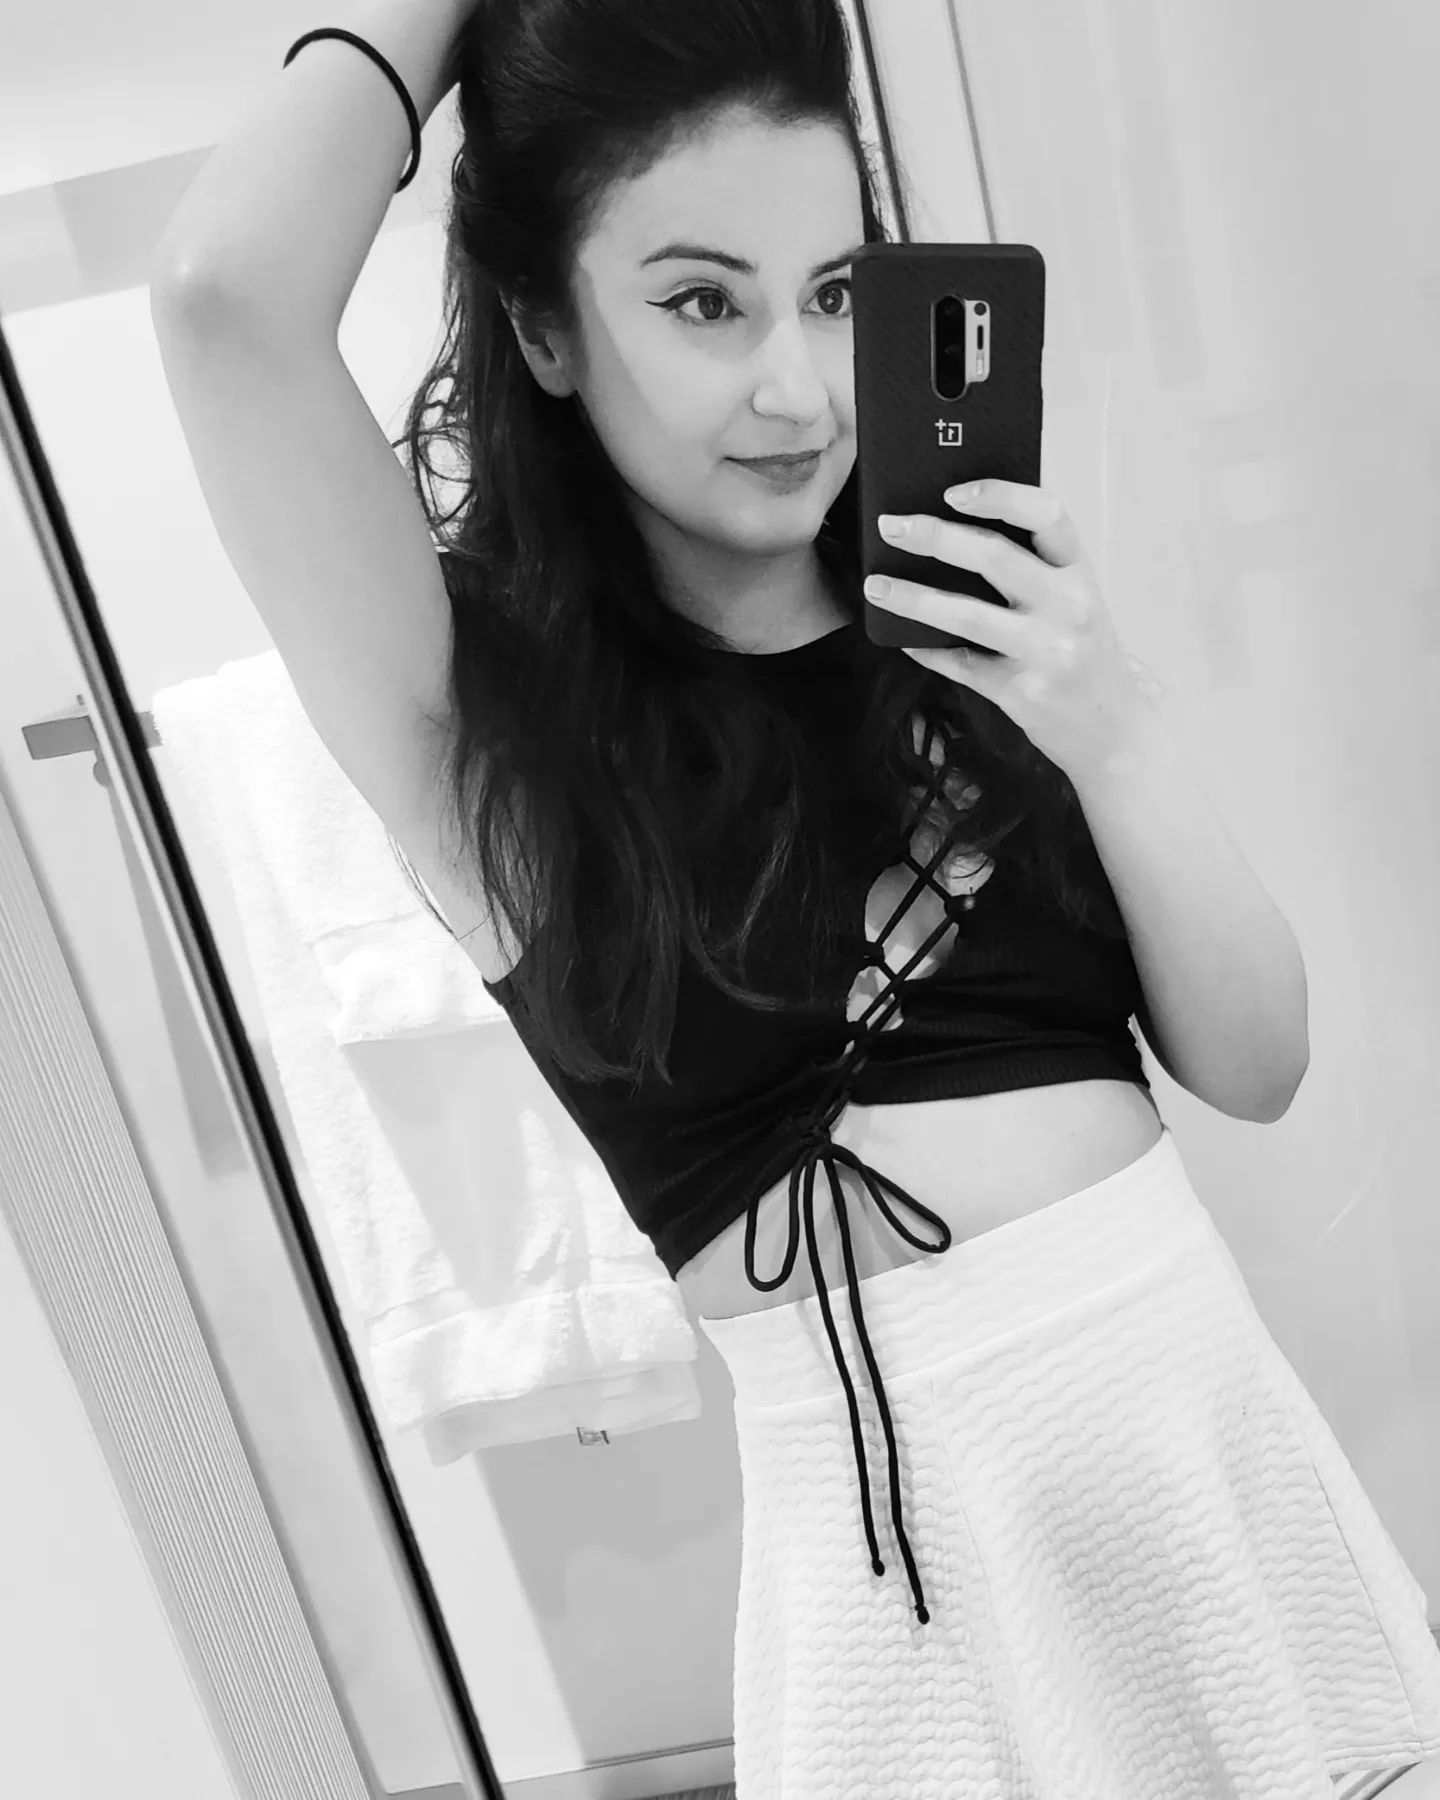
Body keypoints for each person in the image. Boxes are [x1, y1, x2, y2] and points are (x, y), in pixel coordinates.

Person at [149, 0, 1440, 1792]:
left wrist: (1111, 724)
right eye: (703, 303)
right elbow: (225, 300)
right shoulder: (478, 723)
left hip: (1213, 1467)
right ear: (542, 327)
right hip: (911, 1585)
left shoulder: (974, 623)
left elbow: (1258, 1061)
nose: (799, 387)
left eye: (835, 292)